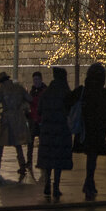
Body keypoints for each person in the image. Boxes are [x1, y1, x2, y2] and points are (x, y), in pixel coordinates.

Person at [70, 62, 106, 199]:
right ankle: (89, 182)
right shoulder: (104, 93)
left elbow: (67, 101)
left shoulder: (83, 91)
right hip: (97, 130)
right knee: (92, 157)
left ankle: (89, 182)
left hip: (85, 129)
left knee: (91, 156)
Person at [0, 72, 31, 179]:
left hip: (7, 119)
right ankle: (22, 165)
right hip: (18, 117)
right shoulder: (19, 88)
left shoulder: (2, 89)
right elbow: (29, 99)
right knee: (18, 144)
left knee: (0, 144)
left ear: (1, 82)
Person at [37, 67, 73, 199]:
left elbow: (39, 110)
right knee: (58, 160)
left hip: (47, 130)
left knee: (48, 159)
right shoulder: (65, 92)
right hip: (60, 129)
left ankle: (47, 183)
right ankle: (56, 186)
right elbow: (70, 110)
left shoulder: (46, 93)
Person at [27, 70, 46, 170]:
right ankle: (29, 161)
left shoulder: (44, 91)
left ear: (41, 79)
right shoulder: (32, 91)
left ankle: (41, 161)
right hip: (33, 119)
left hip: (41, 120)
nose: (36, 81)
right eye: (34, 79)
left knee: (41, 143)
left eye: (37, 79)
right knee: (30, 142)